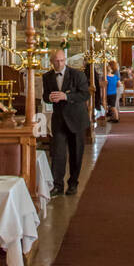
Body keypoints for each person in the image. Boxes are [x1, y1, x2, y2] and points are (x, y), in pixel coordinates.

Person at [42, 48, 89, 196]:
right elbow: (45, 96)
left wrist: (66, 97)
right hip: (59, 120)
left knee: (76, 153)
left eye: (62, 60)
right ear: (51, 61)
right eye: (56, 61)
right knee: (58, 154)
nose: (59, 63)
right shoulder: (47, 77)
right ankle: (57, 185)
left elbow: (85, 94)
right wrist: (49, 98)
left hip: (77, 119)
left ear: (65, 60)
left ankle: (73, 183)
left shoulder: (77, 74)